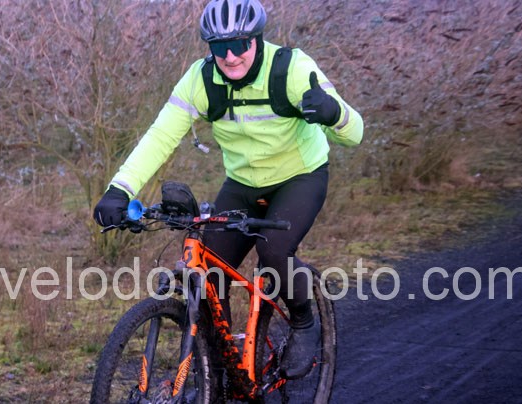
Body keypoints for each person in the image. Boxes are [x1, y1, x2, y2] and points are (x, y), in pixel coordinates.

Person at [93, 0, 363, 380]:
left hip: (300, 177)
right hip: (242, 184)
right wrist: (120, 189)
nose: (231, 57)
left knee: (274, 253)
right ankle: (218, 375)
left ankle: (303, 320)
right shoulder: (201, 80)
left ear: (257, 39)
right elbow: (160, 136)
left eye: (240, 44)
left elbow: (356, 132)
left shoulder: (292, 70)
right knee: (209, 272)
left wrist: (335, 114)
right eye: (220, 47)